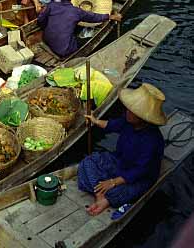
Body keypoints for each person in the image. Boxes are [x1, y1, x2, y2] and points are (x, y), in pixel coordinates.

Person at [78, 83, 167, 216]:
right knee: (88, 161)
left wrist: (113, 182)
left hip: (138, 178)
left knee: (121, 193)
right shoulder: (128, 121)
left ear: (142, 118)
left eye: (132, 111)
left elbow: (139, 171)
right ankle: (100, 194)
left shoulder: (153, 141)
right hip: (119, 162)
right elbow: (112, 125)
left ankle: (106, 197)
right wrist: (95, 121)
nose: (127, 111)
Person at [37, 0, 122, 58]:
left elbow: (41, 20)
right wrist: (111, 16)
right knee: (87, 40)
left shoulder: (51, 5)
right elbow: (94, 17)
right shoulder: (76, 11)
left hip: (46, 40)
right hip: (63, 50)